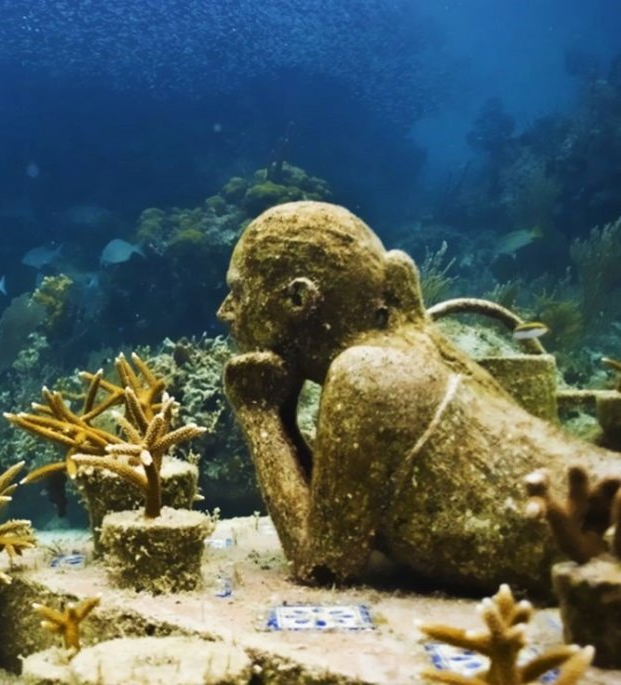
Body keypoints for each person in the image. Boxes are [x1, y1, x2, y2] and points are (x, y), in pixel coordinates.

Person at [217, 201, 618, 595]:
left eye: (238, 291)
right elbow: (337, 514)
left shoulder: (365, 372)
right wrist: (282, 409)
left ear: (298, 299)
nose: (225, 311)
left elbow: (324, 563)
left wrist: (257, 413)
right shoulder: (410, 348)